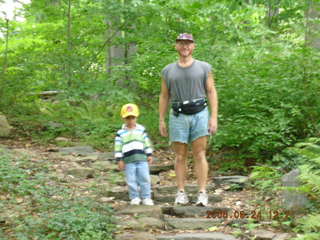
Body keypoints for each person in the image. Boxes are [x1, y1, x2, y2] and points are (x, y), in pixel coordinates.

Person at [159, 33, 218, 206]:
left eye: (188, 43)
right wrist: (161, 119)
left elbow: (211, 91)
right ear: (176, 46)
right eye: (181, 43)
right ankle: (181, 192)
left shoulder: (204, 67)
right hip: (178, 114)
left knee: (200, 153)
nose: (185, 46)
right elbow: (164, 95)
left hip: (200, 113)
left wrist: (213, 117)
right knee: (179, 155)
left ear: (194, 46)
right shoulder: (168, 70)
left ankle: (202, 192)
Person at [114, 103, 154, 206]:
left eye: (132, 117)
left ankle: (146, 197)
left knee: (144, 177)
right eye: (128, 118)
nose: (130, 120)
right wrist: (119, 160)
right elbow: (118, 147)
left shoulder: (141, 130)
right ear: (124, 119)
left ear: (136, 117)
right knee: (131, 179)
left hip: (142, 158)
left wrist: (149, 154)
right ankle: (134, 197)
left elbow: (146, 142)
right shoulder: (121, 133)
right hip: (128, 160)